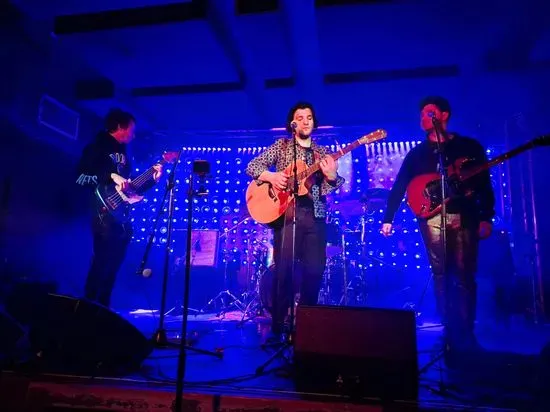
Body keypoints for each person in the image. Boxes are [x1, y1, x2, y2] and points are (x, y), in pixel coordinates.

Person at [381, 96, 495, 357]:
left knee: (464, 275)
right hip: (431, 219)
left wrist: (487, 216)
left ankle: (467, 334)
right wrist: (388, 217)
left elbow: (484, 184)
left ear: (444, 115)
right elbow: (400, 185)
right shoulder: (417, 154)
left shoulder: (469, 147)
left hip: (465, 215)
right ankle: (449, 332)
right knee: (442, 274)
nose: (424, 117)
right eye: (422, 113)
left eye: (429, 112)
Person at [246, 102, 344, 336]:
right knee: (284, 273)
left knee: (315, 271)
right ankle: (278, 328)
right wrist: (271, 177)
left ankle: (307, 326)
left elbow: (327, 188)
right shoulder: (281, 146)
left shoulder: (322, 153)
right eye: (300, 117)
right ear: (292, 123)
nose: (305, 121)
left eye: (309, 117)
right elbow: (253, 166)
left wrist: (331, 177)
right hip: (286, 215)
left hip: (314, 215)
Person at [75, 108, 162, 308]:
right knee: (101, 259)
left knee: (114, 263)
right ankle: (89, 304)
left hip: (120, 215)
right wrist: (111, 176)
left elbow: (127, 189)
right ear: (120, 126)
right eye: (131, 129)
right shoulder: (96, 148)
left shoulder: (124, 154)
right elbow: (80, 177)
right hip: (102, 211)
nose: (134, 134)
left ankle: (103, 304)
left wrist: (152, 180)